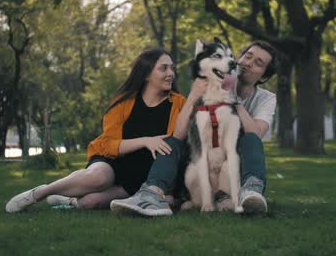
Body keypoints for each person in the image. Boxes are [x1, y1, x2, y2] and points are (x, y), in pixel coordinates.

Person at [5, 48, 186, 212]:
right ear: (146, 74)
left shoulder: (178, 103)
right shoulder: (124, 102)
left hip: (143, 177)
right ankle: (40, 192)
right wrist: (146, 140)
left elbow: (179, 144)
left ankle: (69, 201)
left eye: (172, 68)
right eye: (163, 68)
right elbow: (108, 144)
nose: (171, 73)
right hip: (113, 163)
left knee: (89, 203)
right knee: (98, 178)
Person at [110, 41, 277, 216]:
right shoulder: (211, 80)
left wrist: (232, 97)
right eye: (247, 56)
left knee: (250, 138)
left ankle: (251, 190)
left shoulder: (266, 99)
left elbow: (256, 134)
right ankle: (152, 193)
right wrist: (194, 95)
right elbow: (179, 134)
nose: (249, 63)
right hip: (201, 162)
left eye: (259, 63)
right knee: (171, 142)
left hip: (234, 165)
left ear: (264, 76)